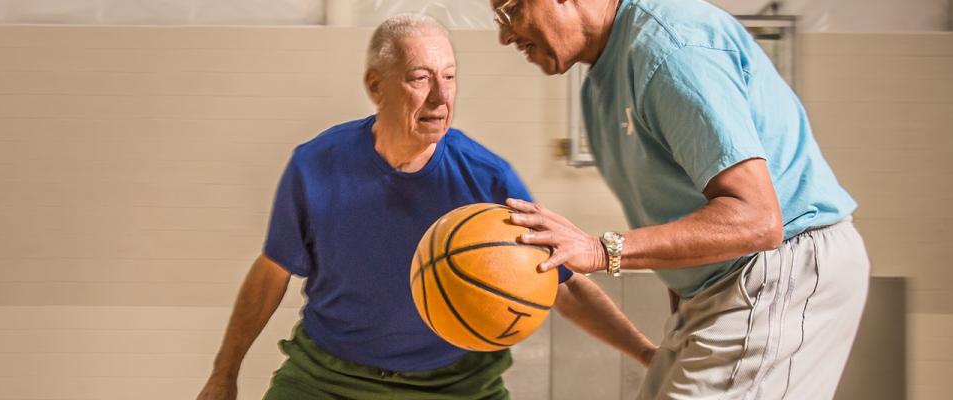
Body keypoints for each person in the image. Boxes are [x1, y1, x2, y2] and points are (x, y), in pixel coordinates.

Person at [196, 13, 655, 400]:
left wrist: (647, 355)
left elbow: (563, 283)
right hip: (329, 377)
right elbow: (274, 270)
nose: (441, 96)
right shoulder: (316, 164)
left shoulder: (486, 176)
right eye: (421, 78)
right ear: (376, 86)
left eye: (450, 76)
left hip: (455, 383)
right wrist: (224, 371)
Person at [488, 0, 869, 398]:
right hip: (720, 288)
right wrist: (685, 320)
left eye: (510, 10)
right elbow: (675, 217)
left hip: (781, 266)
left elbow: (757, 218)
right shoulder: (598, 89)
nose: (504, 35)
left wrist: (600, 249)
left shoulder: (671, 48)